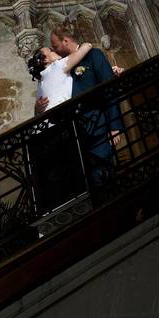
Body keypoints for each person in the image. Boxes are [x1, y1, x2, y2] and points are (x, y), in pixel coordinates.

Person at [36, 25, 125, 196]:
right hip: (75, 133)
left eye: (55, 46)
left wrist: (114, 126)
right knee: (85, 182)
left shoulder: (93, 56)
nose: (55, 50)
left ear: (66, 41)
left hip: (98, 126)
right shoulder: (62, 66)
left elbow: (109, 90)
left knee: (104, 176)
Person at [27, 42, 93, 112]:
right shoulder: (57, 66)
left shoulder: (41, 82)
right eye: (52, 50)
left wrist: (37, 107)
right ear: (45, 60)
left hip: (50, 120)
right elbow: (86, 47)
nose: (56, 51)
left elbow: (37, 110)